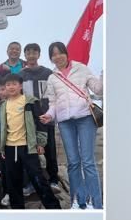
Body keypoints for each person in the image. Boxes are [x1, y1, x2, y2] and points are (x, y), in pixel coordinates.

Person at [40, 41, 103, 209]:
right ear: (51, 58)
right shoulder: (52, 78)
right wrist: (49, 115)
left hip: (85, 118)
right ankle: (78, 201)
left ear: (66, 53)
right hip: (65, 122)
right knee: (73, 162)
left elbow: (98, 90)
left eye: (60, 52)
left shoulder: (81, 68)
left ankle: (95, 203)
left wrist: (104, 75)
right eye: (53, 54)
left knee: (88, 161)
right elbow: (53, 103)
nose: (57, 57)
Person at [0, 73, 61, 209]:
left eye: (14, 84)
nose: (11, 87)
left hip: (28, 147)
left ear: (20, 85)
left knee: (38, 178)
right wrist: (2, 148)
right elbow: (2, 127)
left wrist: (41, 143)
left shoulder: (30, 101)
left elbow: (41, 122)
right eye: (8, 85)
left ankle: (53, 208)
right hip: (9, 148)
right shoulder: (3, 105)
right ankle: (17, 210)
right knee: (13, 182)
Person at [19, 43, 60, 193]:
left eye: (34, 52)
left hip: (47, 116)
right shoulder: (21, 75)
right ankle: (31, 183)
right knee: (30, 153)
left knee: (50, 150)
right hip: (29, 120)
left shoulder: (48, 73)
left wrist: (51, 113)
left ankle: (54, 180)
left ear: (39, 54)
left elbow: (56, 94)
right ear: (25, 55)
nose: (31, 55)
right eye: (28, 52)